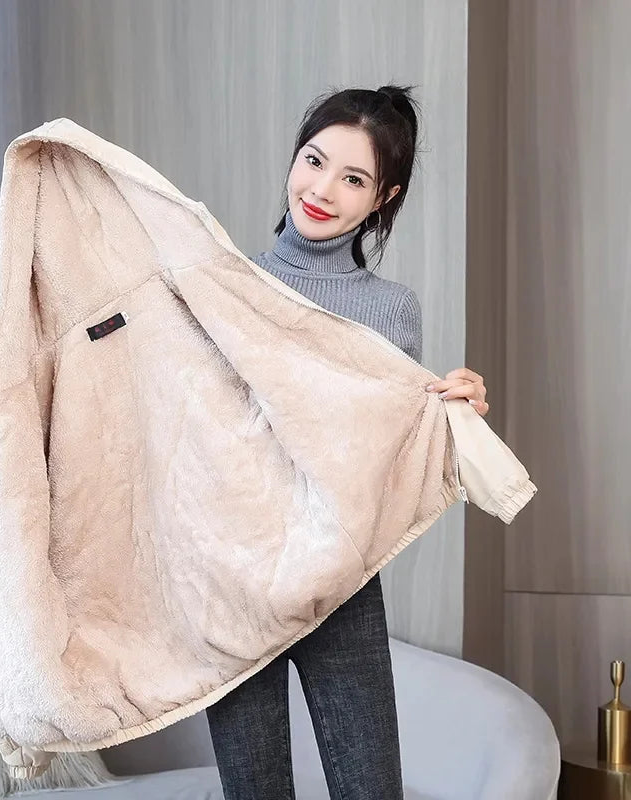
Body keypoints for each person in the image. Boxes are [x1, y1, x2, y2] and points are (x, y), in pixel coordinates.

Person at [204, 85, 490, 800]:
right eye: (314, 160)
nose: (322, 190)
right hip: (237, 580)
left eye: (353, 178)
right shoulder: (223, 286)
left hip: (343, 582)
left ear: (383, 199)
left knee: (372, 790)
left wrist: (456, 416)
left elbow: (389, 460)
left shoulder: (393, 310)